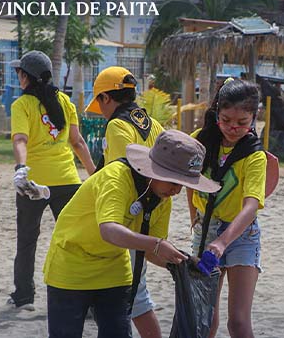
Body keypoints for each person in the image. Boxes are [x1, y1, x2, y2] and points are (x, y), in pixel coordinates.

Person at [43, 130, 220, 338]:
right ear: (156, 170)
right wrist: (156, 243)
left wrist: (184, 264)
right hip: (71, 267)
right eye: (174, 182)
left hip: (114, 270)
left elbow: (151, 251)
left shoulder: (163, 199)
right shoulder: (116, 178)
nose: (177, 191)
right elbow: (109, 230)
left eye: (182, 184)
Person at [8, 50, 96, 311]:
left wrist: (22, 167)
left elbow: (20, 139)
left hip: (34, 184)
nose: (17, 77)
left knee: (26, 241)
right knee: (76, 242)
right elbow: (77, 142)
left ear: (26, 77)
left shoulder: (21, 105)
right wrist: (94, 173)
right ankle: (88, 299)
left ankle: (24, 297)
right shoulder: (65, 101)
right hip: (68, 181)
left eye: (19, 73)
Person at [84, 66, 165, 337]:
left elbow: (119, 177)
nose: (101, 110)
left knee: (135, 295)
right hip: (151, 214)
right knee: (134, 293)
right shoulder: (154, 124)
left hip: (127, 220)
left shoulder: (118, 125)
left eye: (100, 102)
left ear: (107, 98)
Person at [188, 79, 267, 338]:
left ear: (254, 118)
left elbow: (251, 205)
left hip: (242, 235)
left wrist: (222, 242)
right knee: (205, 317)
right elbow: (187, 180)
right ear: (216, 113)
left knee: (239, 323)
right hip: (206, 229)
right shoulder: (199, 142)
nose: (233, 128)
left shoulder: (254, 155)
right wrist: (195, 218)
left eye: (242, 122)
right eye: (226, 120)